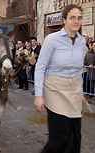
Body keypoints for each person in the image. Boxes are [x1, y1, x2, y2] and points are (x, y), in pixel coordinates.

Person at [34, 4, 87, 153]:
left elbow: (78, 70)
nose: (76, 21)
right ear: (64, 19)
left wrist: (81, 92)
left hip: (74, 90)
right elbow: (40, 67)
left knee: (75, 135)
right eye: (72, 18)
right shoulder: (52, 40)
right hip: (54, 89)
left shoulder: (82, 42)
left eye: (79, 18)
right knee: (61, 136)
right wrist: (38, 95)